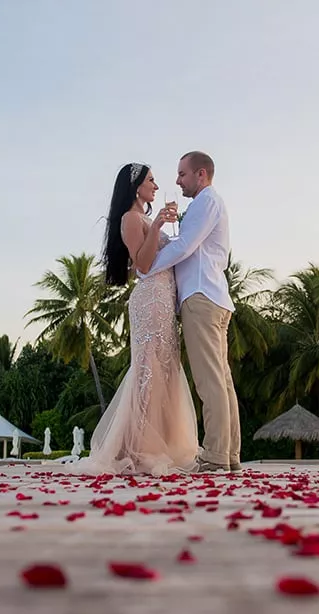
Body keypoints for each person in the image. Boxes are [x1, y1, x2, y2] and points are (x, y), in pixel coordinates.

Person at [69, 163, 200, 475]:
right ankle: (135, 447)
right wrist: (156, 226)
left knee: (165, 369)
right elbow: (142, 266)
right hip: (150, 299)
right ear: (136, 186)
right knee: (148, 371)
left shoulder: (142, 218)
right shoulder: (131, 218)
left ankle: (160, 443)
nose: (156, 185)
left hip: (165, 300)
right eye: (151, 180)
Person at [146, 151, 240, 472]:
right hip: (211, 296)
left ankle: (215, 456)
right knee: (221, 380)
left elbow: (184, 245)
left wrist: (146, 269)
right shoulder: (207, 204)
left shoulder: (205, 201)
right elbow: (190, 245)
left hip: (201, 297)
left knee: (209, 381)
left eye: (182, 174)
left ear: (201, 174)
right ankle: (229, 454)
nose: (176, 181)